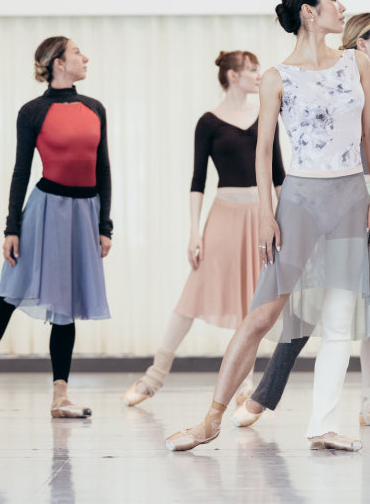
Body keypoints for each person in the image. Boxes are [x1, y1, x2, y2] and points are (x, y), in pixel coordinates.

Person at [166, 0, 370, 452]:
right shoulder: (276, 78)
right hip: (300, 203)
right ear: (309, 11)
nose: (341, 5)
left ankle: (323, 425)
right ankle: (211, 419)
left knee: (338, 320)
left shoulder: (357, 64)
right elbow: (263, 153)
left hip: (351, 198)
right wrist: (268, 214)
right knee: (262, 315)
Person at [231, 13, 370, 430]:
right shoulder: (330, 84)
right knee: (308, 302)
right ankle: (266, 393)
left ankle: (369, 402)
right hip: (340, 195)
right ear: (361, 43)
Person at [0, 36, 112, 418]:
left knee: (67, 306)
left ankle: (60, 396)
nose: (85, 57)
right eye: (78, 52)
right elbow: (21, 169)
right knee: (10, 294)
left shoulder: (95, 108)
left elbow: (103, 167)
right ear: (58, 62)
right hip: (44, 210)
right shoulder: (32, 111)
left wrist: (105, 223)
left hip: (84, 213)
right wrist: (12, 227)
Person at [122, 50, 285, 407]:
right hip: (223, 216)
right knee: (193, 295)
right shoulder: (209, 122)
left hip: (260, 216)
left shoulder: (265, 115)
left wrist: (279, 219)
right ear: (231, 75)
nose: (258, 75)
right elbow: (198, 180)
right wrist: (194, 231)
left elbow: (278, 176)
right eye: (251, 69)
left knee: (253, 304)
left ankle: (245, 386)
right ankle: (155, 376)